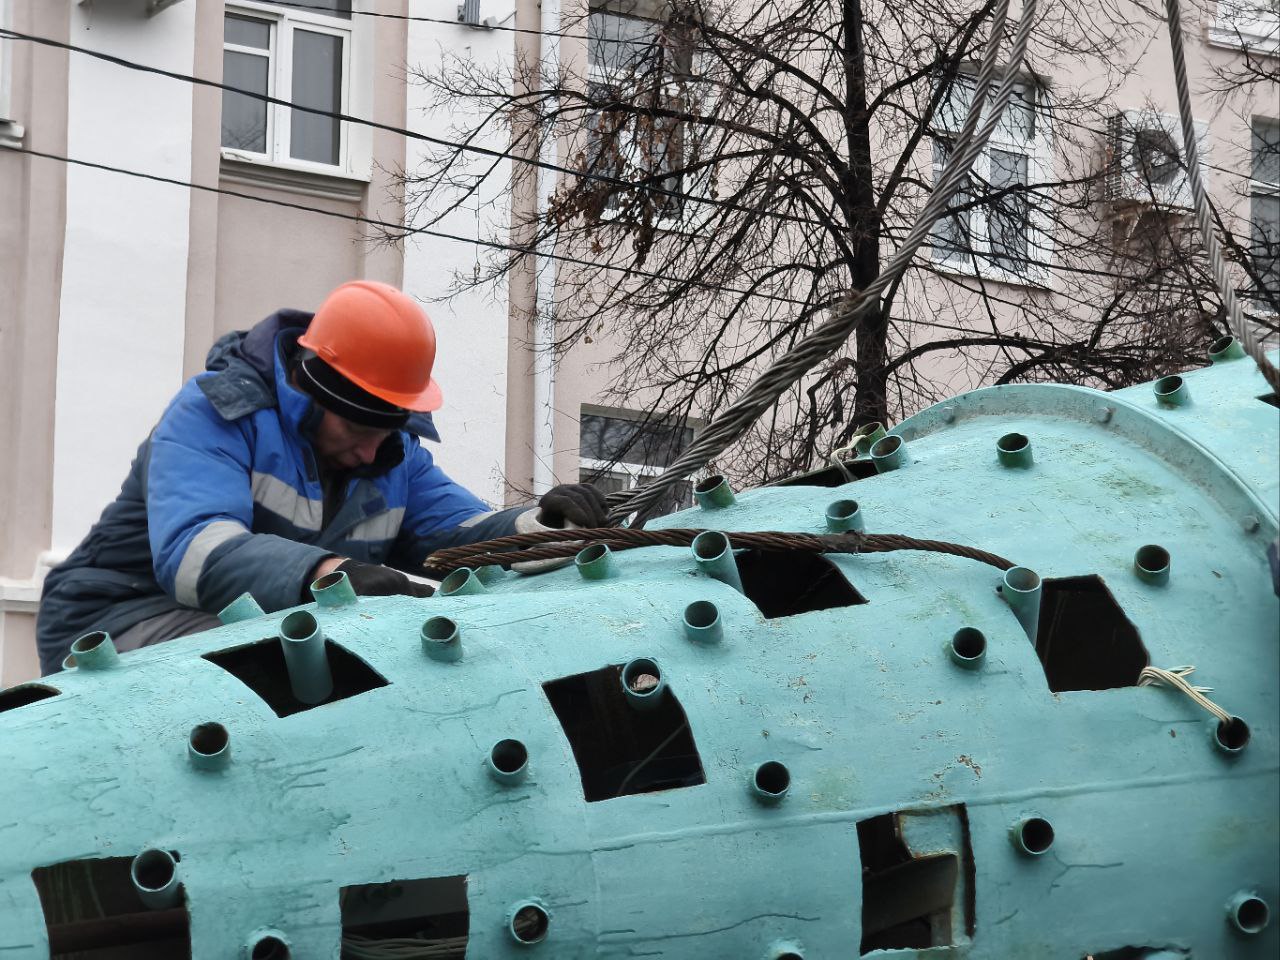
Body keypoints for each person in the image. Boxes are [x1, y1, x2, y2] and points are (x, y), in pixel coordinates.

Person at [35, 281, 607, 675]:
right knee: (303, 666)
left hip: (253, 622)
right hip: (113, 622)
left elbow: (455, 530)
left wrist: (540, 525)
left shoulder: (390, 448)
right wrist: (332, 573)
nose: (370, 452)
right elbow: (193, 553)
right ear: (315, 392)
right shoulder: (214, 412)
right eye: (359, 429)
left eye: (387, 431)